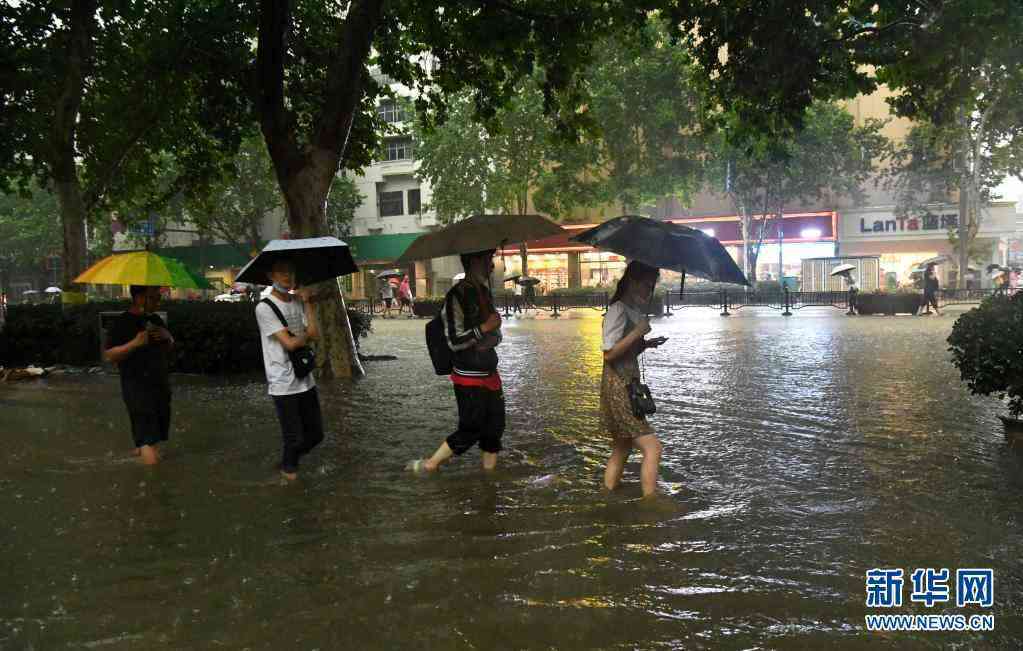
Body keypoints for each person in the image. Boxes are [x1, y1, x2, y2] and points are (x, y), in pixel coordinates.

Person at [409, 249, 504, 473]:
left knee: (494, 428)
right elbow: (454, 340)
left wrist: (493, 334)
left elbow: (496, 334)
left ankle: (489, 479)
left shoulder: (484, 292)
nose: (492, 265)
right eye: (488, 260)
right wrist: (484, 329)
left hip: (490, 373)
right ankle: (430, 465)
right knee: (471, 428)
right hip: (469, 377)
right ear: (474, 261)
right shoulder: (456, 296)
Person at [600, 261, 668, 498]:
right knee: (653, 448)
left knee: (622, 446)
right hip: (619, 386)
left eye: (652, 286)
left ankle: (607, 495)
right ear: (632, 282)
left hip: (627, 384)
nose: (649, 291)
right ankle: (650, 503)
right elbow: (609, 354)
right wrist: (638, 333)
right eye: (647, 285)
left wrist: (645, 344)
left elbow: (625, 352)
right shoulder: (617, 310)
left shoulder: (631, 310)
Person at [255, 259, 323, 482]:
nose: (287, 276)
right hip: (283, 382)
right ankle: (288, 476)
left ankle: (287, 463)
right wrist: (306, 336)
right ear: (271, 276)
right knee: (293, 438)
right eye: (282, 272)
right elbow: (290, 344)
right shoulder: (264, 308)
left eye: (291, 272)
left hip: (305, 378)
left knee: (316, 435)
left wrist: (308, 302)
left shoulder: (297, 302)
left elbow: (315, 333)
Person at [103, 285, 174, 465]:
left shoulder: (155, 319)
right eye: (154, 298)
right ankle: (153, 477)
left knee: (155, 437)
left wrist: (168, 337)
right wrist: (134, 343)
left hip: (160, 385)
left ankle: (141, 454)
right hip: (137, 387)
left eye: (159, 298)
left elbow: (168, 348)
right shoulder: (122, 323)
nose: (158, 302)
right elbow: (109, 355)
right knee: (147, 439)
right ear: (139, 298)